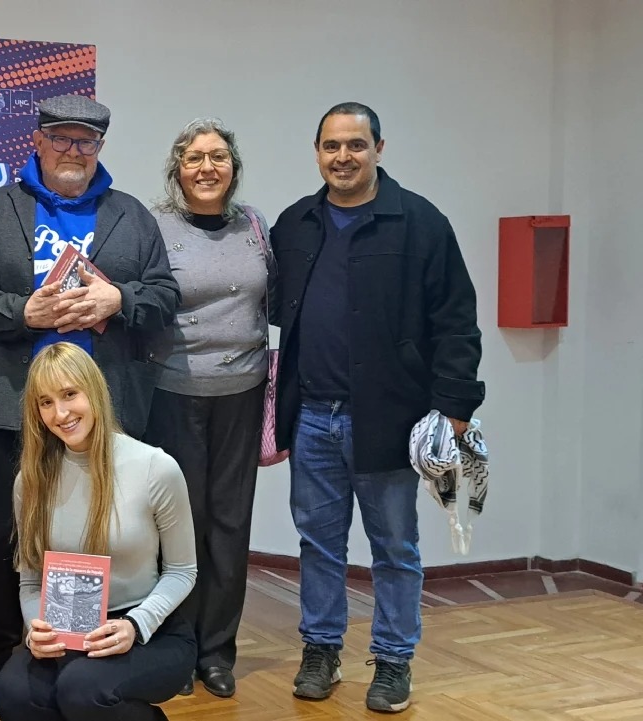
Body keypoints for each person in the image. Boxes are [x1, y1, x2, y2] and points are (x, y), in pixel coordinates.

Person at [0, 95, 179, 719]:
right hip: (16, 406)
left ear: (100, 147)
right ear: (39, 140)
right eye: (62, 139)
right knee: (9, 536)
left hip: (107, 409)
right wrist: (21, 311)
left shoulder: (131, 216)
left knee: (109, 528)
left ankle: (112, 648)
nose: (73, 151)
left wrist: (118, 300)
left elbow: (163, 294)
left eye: (86, 142)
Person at [271, 102, 485, 713]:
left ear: (379, 149)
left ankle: (393, 662)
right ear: (317, 153)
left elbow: (456, 323)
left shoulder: (419, 223)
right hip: (312, 415)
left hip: (390, 420)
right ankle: (320, 650)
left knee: (394, 548)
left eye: (356, 146)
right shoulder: (296, 224)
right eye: (332, 146)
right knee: (318, 543)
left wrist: (455, 408)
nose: (344, 157)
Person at [0, 342, 195, 721]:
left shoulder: (156, 468)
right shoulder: (31, 481)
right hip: (69, 628)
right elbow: (31, 581)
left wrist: (136, 625)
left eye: (70, 394)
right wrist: (37, 630)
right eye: (46, 402)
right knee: (10, 692)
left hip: (150, 629)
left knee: (83, 690)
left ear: (94, 391)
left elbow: (183, 571)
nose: (61, 413)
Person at [142, 118, 271, 699]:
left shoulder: (255, 227)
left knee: (229, 525)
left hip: (242, 396)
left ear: (233, 167)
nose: (207, 167)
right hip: (174, 396)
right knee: (179, 528)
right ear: (177, 170)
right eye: (194, 158)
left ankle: (218, 652)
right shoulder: (155, 226)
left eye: (218, 157)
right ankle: (178, 646)